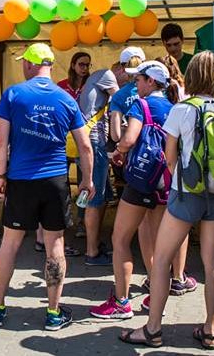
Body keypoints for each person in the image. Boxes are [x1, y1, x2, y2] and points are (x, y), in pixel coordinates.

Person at [118, 52, 214, 349]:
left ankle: (153, 329)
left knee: (161, 261)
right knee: (212, 263)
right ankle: (210, 330)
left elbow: (169, 158)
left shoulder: (183, 109)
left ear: (193, 75)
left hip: (187, 192)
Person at [0, 43, 94, 332]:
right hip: (55, 180)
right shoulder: (66, 99)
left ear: (31, 64)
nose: (22, 66)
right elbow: (85, 145)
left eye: (24, 62)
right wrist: (88, 179)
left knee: (10, 242)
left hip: (21, 179)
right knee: (55, 245)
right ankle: (53, 313)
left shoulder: (13, 94)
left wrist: (1, 174)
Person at [91, 60, 183, 320]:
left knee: (120, 240)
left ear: (151, 81)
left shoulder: (141, 105)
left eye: (139, 79)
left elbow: (129, 138)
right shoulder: (173, 106)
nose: (136, 83)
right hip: (165, 181)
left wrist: (118, 152)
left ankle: (121, 303)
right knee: (158, 245)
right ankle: (156, 299)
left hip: (141, 180)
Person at [77, 50, 131, 266]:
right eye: (128, 76)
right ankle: (91, 252)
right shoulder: (108, 75)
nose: (131, 80)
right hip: (94, 139)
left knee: (100, 195)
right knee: (94, 196)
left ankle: (96, 244)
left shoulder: (99, 79)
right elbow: (121, 99)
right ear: (119, 69)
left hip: (94, 139)